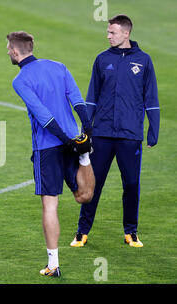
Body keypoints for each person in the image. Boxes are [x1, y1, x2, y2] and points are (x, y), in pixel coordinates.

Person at [7, 31, 95, 277]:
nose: (7, 52)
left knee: (50, 205)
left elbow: (42, 115)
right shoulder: (59, 67)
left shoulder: (21, 80)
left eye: (8, 49)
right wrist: (86, 132)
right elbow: (77, 100)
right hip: (74, 141)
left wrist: (66, 141)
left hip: (48, 148)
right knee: (84, 196)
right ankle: (86, 157)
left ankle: (53, 264)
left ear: (16, 51)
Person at [70, 15, 160, 248]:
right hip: (101, 133)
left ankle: (131, 232)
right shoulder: (101, 59)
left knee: (131, 184)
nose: (108, 36)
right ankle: (82, 232)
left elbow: (150, 98)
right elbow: (92, 97)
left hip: (130, 135)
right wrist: (86, 129)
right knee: (93, 184)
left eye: (112, 32)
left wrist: (154, 129)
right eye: (108, 32)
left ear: (126, 33)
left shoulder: (144, 61)